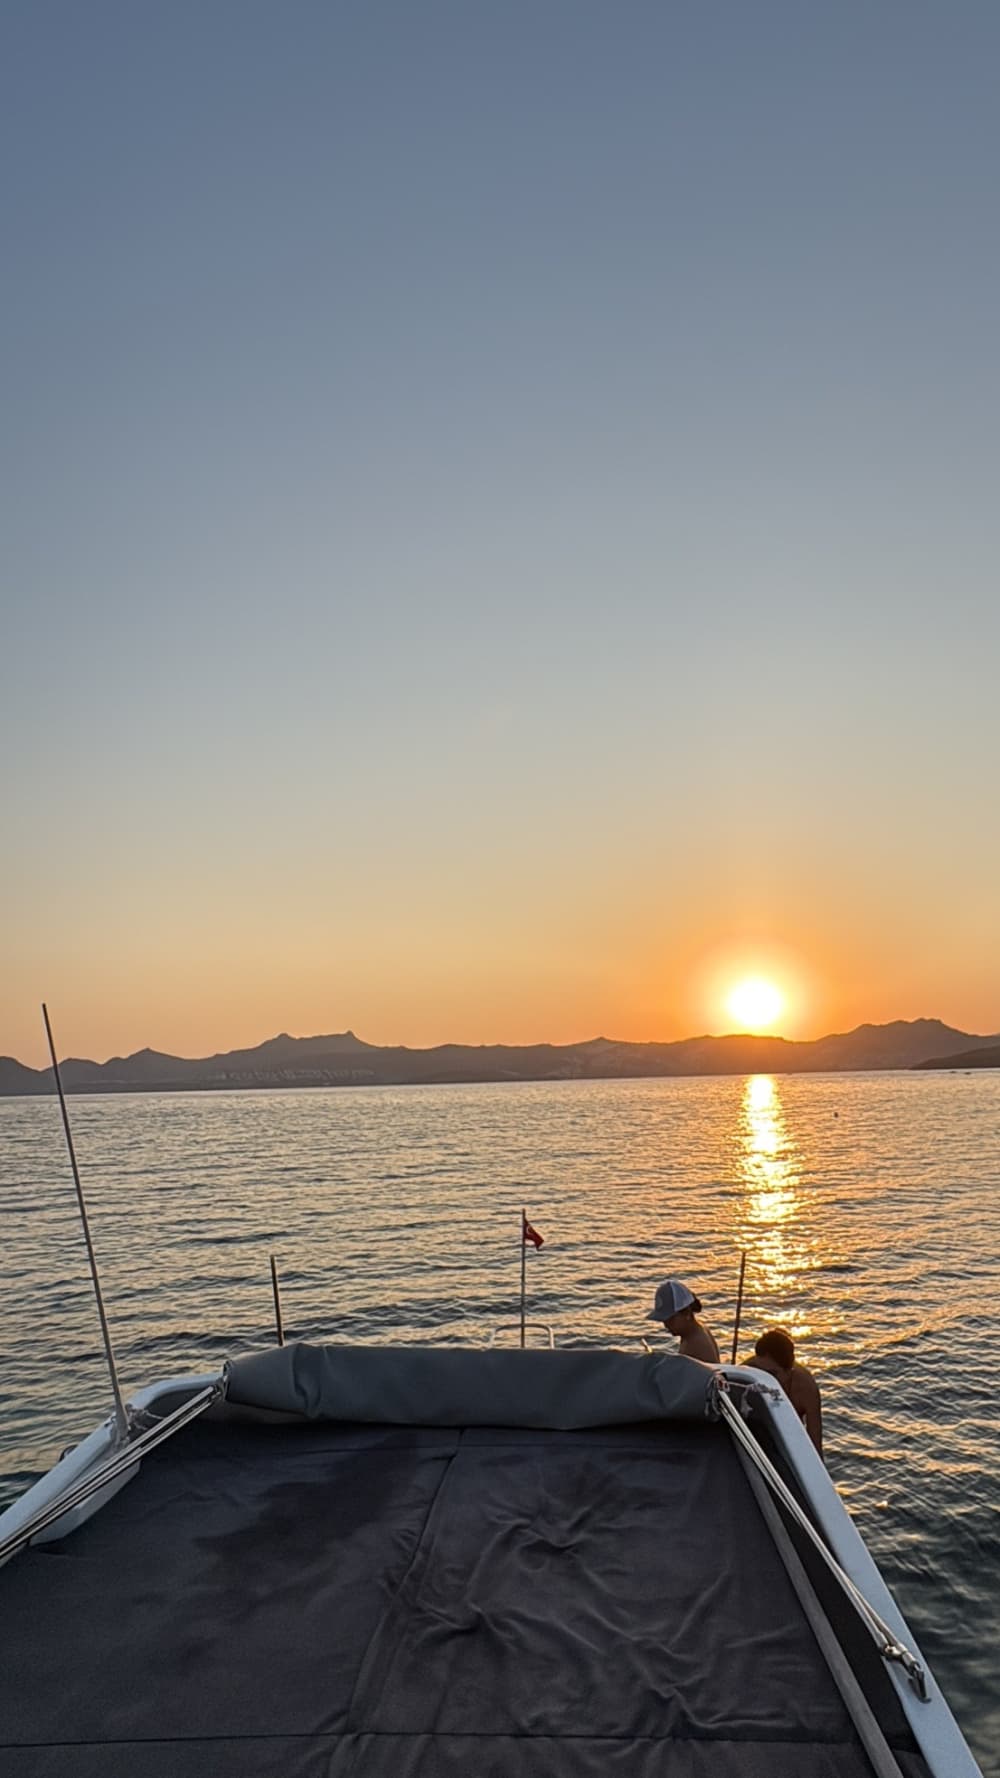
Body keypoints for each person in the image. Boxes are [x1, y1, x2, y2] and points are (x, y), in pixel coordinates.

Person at [747, 1327, 823, 1458]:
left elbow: (815, 1444)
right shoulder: (749, 1373)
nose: (765, 1378)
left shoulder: (806, 1388)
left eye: (773, 1373)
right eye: (761, 1371)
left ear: (789, 1371)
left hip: (791, 1438)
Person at [647, 1278, 720, 1363]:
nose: (666, 1325)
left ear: (687, 1313)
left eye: (670, 1319)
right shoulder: (695, 1331)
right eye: (664, 1320)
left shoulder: (694, 1344)